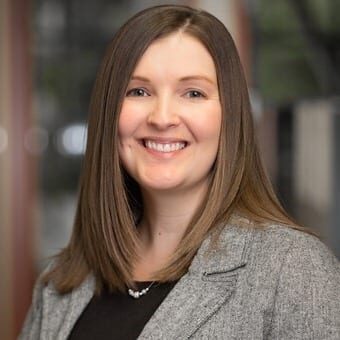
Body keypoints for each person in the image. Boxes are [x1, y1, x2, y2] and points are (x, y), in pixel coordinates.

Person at [20, 4, 340, 340]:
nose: (162, 117)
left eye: (193, 93)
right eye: (139, 91)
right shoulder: (61, 283)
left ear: (229, 117)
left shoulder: (291, 269)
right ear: (110, 113)